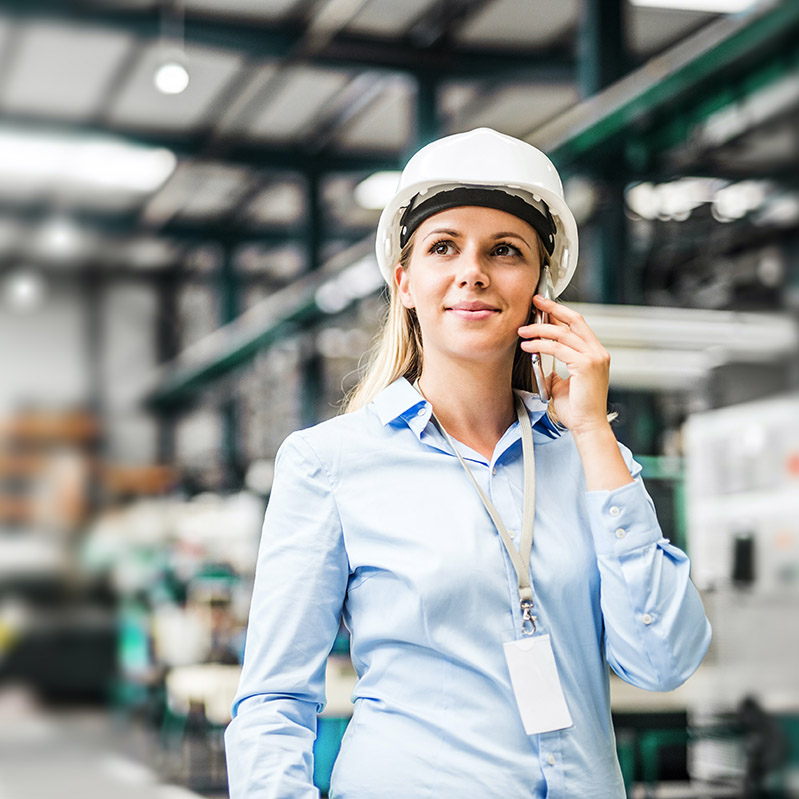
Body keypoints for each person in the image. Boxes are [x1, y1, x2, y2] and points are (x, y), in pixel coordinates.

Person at [224, 127, 711, 799]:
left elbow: (663, 661)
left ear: (538, 285)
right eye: (443, 246)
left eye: (504, 250)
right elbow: (273, 702)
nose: (472, 270)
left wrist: (594, 430)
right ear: (404, 281)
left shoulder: (593, 461)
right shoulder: (328, 463)